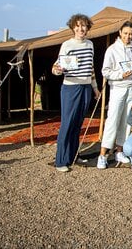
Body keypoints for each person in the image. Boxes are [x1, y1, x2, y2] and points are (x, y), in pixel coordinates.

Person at [51, 14, 101, 172]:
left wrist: (95, 88)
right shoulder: (67, 45)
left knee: (78, 124)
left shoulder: (90, 44)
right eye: (78, 26)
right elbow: (56, 67)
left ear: (88, 28)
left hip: (86, 87)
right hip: (71, 87)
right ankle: (60, 161)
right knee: (67, 123)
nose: (81, 29)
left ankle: (73, 156)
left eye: (84, 26)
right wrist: (58, 70)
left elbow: (91, 68)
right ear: (73, 28)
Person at [98, 21, 132, 169]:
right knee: (113, 120)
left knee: (127, 121)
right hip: (118, 88)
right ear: (120, 33)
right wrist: (120, 75)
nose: (128, 36)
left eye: (130, 34)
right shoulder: (112, 49)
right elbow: (105, 71)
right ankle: (102, 154)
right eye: (125, 33)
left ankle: (119, 150)